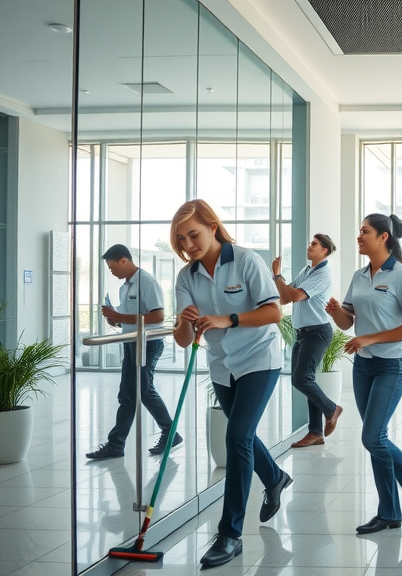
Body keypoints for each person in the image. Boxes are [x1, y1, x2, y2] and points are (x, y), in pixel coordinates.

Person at [170, 199, 291, 569]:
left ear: (212, 227)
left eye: (194, 235)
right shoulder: (186, 277)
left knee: (237, 435)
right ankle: (275, 477)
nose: (188, 245)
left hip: (259, 359)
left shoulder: (246, 261)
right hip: (222, 365)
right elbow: (183, 340)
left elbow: (274, 311)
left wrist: (228, 319)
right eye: (181, 239)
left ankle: (230, 534)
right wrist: (185, 320)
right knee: (243, 433)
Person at [325, 213, 402, 535]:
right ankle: (390, 512)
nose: (359, 237)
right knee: (377, 439)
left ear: (384, 237)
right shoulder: (359, 276)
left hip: (391, 365)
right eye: (359, 231)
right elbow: (348, 323)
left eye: (365, 231)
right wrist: (337, 313)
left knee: (372, 437)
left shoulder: (401, 276)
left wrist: (371, 338)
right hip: (364, 366)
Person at [87, 244, 180, 460]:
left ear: (123, 260)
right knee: (127, 395)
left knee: (144, 391)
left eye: (112, 267)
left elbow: (157, 316)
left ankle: (170, 433)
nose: (111, 272)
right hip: (131, 342)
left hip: (148, 344)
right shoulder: (124, 288)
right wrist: (115, 319)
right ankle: (116, 445)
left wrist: (119, 317)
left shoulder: (146, 282)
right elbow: (131, 320)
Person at [272, 234, 344, 448]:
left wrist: (278, 275)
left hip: (317, 332)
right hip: (302, 333)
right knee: (303, 380)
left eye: (314, 244)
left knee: (302, 379)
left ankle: (332, 409)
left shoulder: (323, 273)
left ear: (324, 250)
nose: (309, 246)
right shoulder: (306, 271)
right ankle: (315, 432)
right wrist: (278, 279)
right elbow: (284, 298)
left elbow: (295, 296)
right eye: (310, 243)